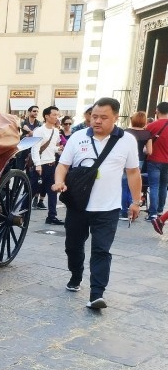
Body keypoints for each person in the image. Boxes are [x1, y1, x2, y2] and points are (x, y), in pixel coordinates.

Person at [52, 97, 141, 310]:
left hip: (108, 208)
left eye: (103, 117)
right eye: (94, 116)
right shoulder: (78, 137)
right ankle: (76, 275)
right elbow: (63, 165)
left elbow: (133, 172)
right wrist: (58, 182)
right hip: (78, 205)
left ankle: (96, 294)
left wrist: (136, 202)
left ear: (115, 118)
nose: (97, 121)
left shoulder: (126, 140)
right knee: (73, 246)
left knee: (101, 250)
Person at [30, 106, 64, 225]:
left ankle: (52, 216)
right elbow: (35, 148)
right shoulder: (39, 130)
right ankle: (21, 213)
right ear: (46, 116)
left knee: (53, 191)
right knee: (32, 190)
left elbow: (52, 147)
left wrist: (58, 149)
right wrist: (37, 164)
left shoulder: (55, 131)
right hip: (41, 165)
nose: (56, 117)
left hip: (52, 164)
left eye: (57, 115)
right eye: (54, 115)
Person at [122, 110, 152, 219]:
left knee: (124, 186)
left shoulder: (126, 132)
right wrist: (143, 149)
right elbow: (150, 151)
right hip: (139, 160)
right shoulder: (147, 134)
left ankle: (124, 211)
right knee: (133, 186)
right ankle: (132, 209)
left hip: (126, 160)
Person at [144, 101, 168, 221]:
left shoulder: (152, 125)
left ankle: (152, 214)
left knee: (154, 186)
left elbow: (142, 138)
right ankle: (159, 211)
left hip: (154, 160)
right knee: (164, 186)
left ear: (157, 111)